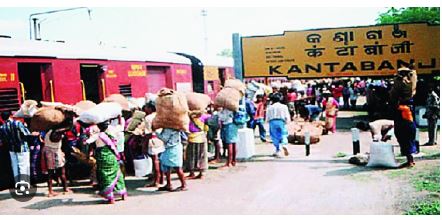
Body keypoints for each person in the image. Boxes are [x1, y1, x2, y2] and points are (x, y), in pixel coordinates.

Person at [85, 121, 127, 203]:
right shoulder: (111, 134)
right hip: (112, 156)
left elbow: (87, 142)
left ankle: (111, 198)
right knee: (117, 175)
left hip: (103, 157)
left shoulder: (98, 136)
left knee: (106, 176)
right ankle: (123, 194)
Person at [389, 67, 417, 168]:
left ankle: (410, 160)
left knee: (403, 134)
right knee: (408, 134)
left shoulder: (402, 83)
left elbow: (394, 94)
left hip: (402, 110)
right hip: (407, 110)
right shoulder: (412, 82)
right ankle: (410, 159)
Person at [0, 111, 31, 184]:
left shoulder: (2, 127)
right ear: (10, 115)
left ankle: (17, 183)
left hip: (12, 149)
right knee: (23, 165)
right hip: (22, 147)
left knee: (14, 166)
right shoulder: (17, 123)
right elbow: (27, 133)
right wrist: (25, 126)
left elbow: (3, 139)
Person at [42, 125, 72, 197]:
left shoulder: (49, 131)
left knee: (50, 173)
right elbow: (68, 128)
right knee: (61, 172)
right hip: (54, 152)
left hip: (48, 152)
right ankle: (65, 189)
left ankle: (51, 190)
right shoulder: (56, 132)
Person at [156, 127, 187, 192]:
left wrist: (156, 133)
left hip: (171, 149)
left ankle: (183, 185)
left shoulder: (168, 129)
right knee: (168, 167)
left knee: (176, 167)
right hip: (176, 147)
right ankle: (169, 184)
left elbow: (165, 139)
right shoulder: (176, 128)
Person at [143, 102, 165, 187]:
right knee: (161, 161)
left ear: (150, 108)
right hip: (161, 139)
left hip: (153, 140)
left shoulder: (148, 118)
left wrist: (144, 145)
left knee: (155, 161)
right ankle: (162, 179)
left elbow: (148, 133)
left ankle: (156, 181)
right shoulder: (160, 116)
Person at [186, 111, 210, 179]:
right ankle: (201, 173)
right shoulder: (204, 116)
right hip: (201, 137)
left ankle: (192, 172)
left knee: (191, 156)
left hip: (192, 138)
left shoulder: (189, 116)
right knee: (202, 156)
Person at [266, 93, 290, 158]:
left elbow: (267, 116)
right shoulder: (284, 106)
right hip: (281, 121)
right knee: (283, 134)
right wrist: (287, 121)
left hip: (272, 121)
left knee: (274, 136)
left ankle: (277, 149)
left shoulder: (270, 107)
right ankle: (284, 144)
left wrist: (267, 122)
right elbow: (287, 115)